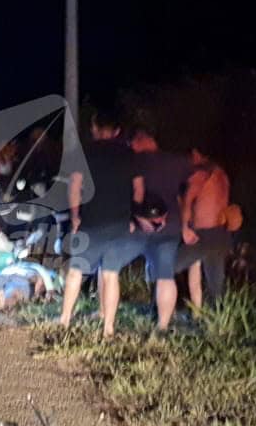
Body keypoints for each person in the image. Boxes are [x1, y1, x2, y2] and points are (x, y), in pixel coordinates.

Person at [57, 110, 144, 338]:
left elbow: (74, 186)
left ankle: (64, 320)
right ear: (117, 131)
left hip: (92, 221)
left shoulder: (85, 152)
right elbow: (139, 189)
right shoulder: (129, 154)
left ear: (95, 128)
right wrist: (133, 216)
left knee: (76, 271)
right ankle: (108, 328)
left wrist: (75, 216)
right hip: (119, 223)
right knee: (110, 275)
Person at [130, 125, 195, 331]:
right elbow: (188, 190)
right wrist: (186, 223)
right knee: (165, 273)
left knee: (112, 266)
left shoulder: (137, 162)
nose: (132, 145)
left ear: (144, 139)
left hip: (145, 223)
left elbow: (135, 193)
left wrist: (135, 218)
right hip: (172, 224)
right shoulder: (177, 161)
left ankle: (158, 310)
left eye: (134, 141)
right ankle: (163, 323)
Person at [178, 146, 234, 309]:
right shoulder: (221, 174)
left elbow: (188, 201)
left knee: (166, 269)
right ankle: (209, 315)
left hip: (203, 235)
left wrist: (184, 227)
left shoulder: (201, 173)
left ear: (196, 154)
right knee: (215, 283)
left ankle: (161, 310)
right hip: (221, 234)